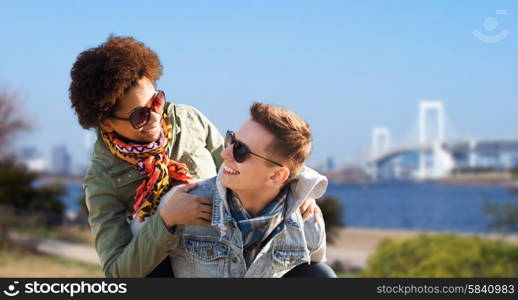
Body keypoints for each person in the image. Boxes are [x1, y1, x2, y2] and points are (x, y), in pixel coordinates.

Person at [69, 35, 320, 277]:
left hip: (228, 254)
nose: (156, 117)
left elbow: (240, 168)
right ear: (108, 123)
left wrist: (293, 192)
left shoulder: (189, 120)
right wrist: (166, 220)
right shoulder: (102, 180)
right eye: (140, 116)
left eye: (156, 102)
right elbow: (116, 272)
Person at [133, 102, 336, 277]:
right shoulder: (183, 204)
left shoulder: (308, 222)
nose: (225, 154)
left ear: (277, 176)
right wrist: (165, 220)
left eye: (240, 151)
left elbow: (312, 274)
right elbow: (133, 266)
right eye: (231, 140)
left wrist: (301, 194)